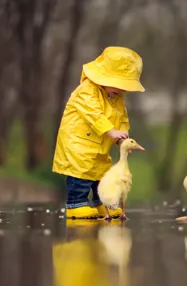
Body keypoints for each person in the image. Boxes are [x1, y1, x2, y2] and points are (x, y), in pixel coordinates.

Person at [52, 46, 145, 219]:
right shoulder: (87, 90)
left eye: (125, 87)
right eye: (118, 85)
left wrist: (121, 138)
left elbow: (122, 118)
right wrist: (110, 131)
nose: (121, 91)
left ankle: (103, 203)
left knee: (102, 175)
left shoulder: (116, 97)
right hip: (79, 143)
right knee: (81, 173)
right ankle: (75, 204)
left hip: (100, 145)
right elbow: (92, 113)